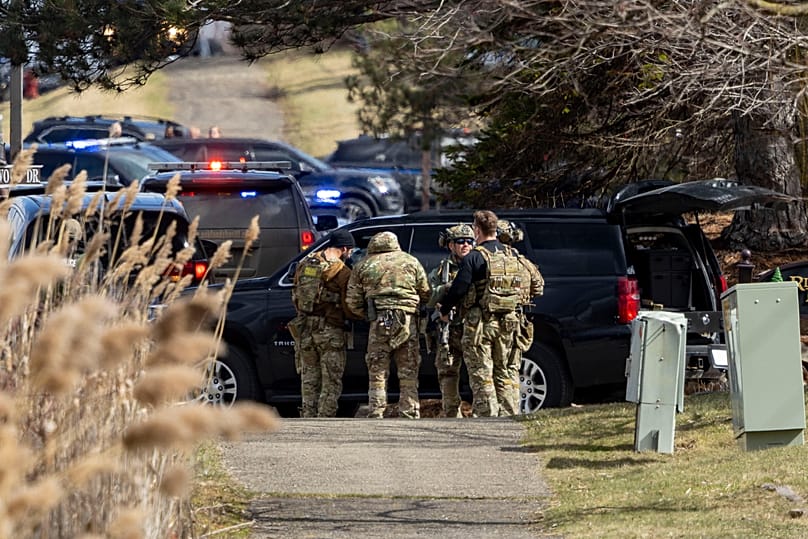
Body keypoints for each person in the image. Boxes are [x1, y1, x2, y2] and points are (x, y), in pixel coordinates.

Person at [439, 210, 535, 417]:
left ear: (477, 230)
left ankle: (486, 417)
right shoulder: (513, 255)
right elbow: (534, 283)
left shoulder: (475, 257)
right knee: (506, 371)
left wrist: (445, 310)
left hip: (480, 325)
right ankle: (510, 416)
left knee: (482, 373)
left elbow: (459, 288)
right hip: (509, 323)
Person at [346, 231, 430, 419]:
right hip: (407, 320)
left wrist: (367, 315)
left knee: (377, 368)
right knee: (408, 368)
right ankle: (409, 411)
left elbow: (352, 300)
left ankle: (376, 411)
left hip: (379, 320)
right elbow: (426, 292)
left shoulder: (363, 265)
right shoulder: (411, 261)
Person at [290, 229, 356, 417]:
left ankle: (308, 417)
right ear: (344, 249)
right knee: (331, 380)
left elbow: (295, 295)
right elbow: (348, 305)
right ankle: (325, 421)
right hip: (330, 330)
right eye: (350, 250)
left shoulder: (305, 263)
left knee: (309, 377)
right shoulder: (342, 271)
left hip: (305, 329)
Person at [495, 219, 544, 415]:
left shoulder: (492, 261)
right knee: (513, 368)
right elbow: (538, 287)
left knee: (496, 370)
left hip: (495, 322)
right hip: (518, 322)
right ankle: (513, 410)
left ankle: (501, 412)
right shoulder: (524, 262)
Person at [427, 223, 474, 417]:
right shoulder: (441, 271)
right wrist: (445, 289)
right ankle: (451, 414)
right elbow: (429, 298)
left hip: (473, 329)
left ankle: (485, 416)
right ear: (450, 245)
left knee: (479, 373)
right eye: (460, 241)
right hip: (449, 329)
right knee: (447, 373)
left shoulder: (478, 264)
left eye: (469, 241)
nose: (465, 245)